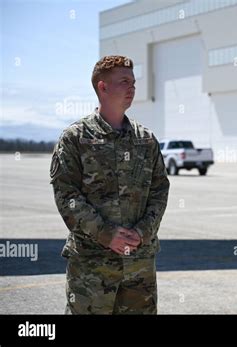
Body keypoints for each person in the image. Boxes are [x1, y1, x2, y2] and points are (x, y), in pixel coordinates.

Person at [50, 55, 170, 314]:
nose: (132, 88)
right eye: (124, 81)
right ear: (102, 87)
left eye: (134, 82)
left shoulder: (146, 140)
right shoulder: (75, 138)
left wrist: (142, 232)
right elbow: (66, 194)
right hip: (92, 267)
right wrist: (106, 234)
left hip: (139, 267)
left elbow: (160, 190)